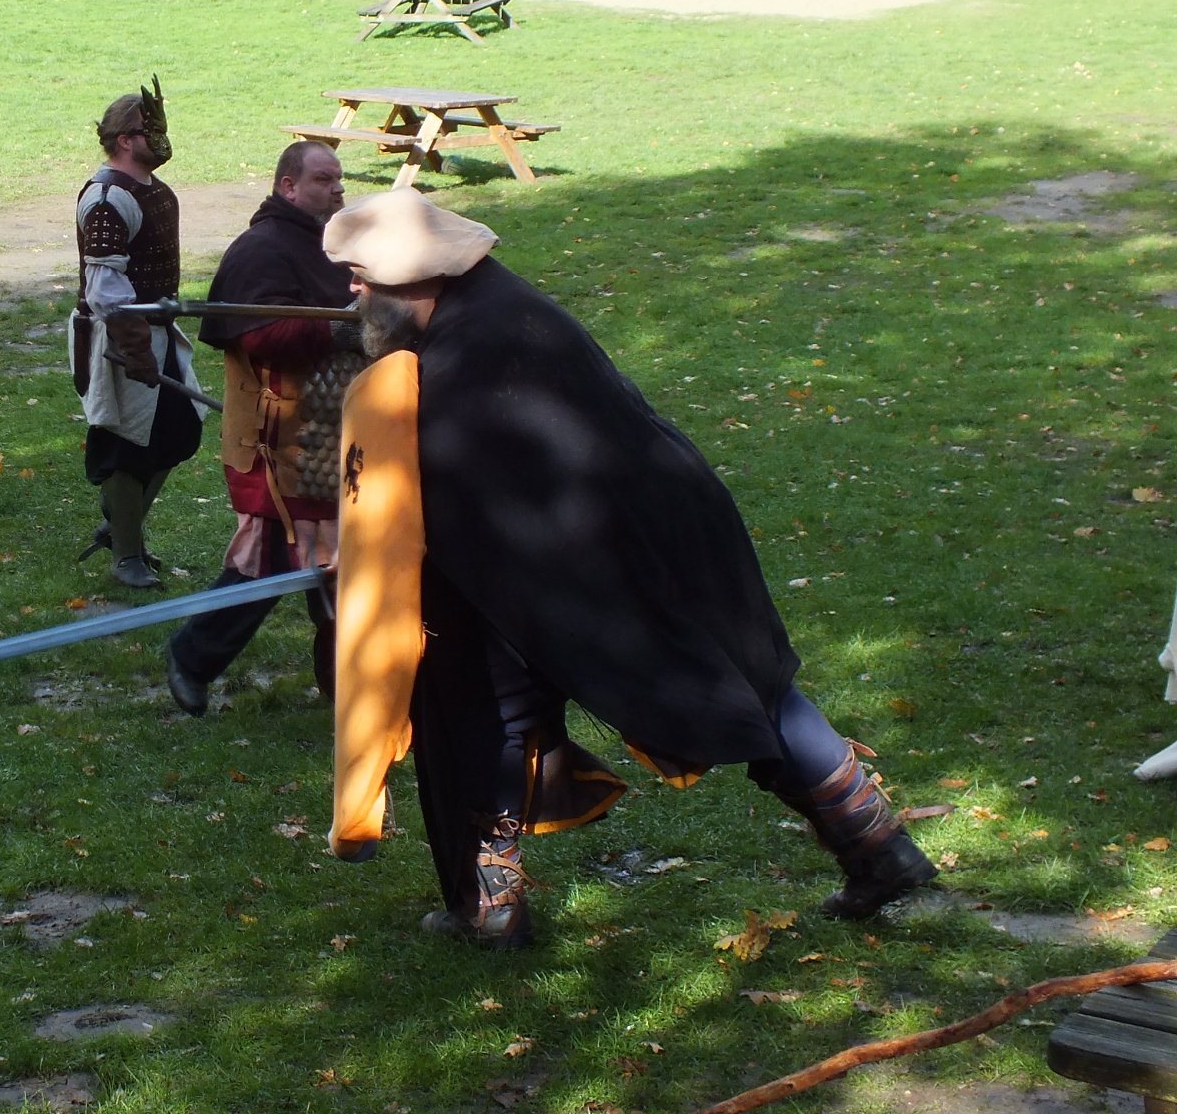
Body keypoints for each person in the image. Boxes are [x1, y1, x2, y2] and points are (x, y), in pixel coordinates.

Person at [320, 191, 937, 949]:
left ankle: (490, 910)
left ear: (416, 278)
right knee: (748, 687)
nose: (353, 290)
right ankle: (880, 849)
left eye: (363, 277)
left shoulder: (460, 360)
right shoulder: (502, 307)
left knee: (488, 704)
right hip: (645, 522)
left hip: (594, 548)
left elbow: (452, 501)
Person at [164, 141, 362, 715]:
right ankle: (192, 657)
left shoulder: (330, 244)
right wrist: (341, 329)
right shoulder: (261, 250)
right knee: (271, 562)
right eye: (322, 179)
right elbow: (260, 335)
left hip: (333, 437)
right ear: (287, 186)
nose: (336, 189)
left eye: (339, 179)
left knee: (343, 567)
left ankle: (348, 691)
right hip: (278, 443)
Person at [70, 83, 207, 589]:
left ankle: (119, 523)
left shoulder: (154, 190)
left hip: (157, 331)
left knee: (179, 430)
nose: (162, 140)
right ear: (126, 139)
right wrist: (136, 349)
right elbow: (106, 290)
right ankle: (127, 554)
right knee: (126, 441)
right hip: (118, 336)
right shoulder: (108, 198)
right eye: (152, 131)